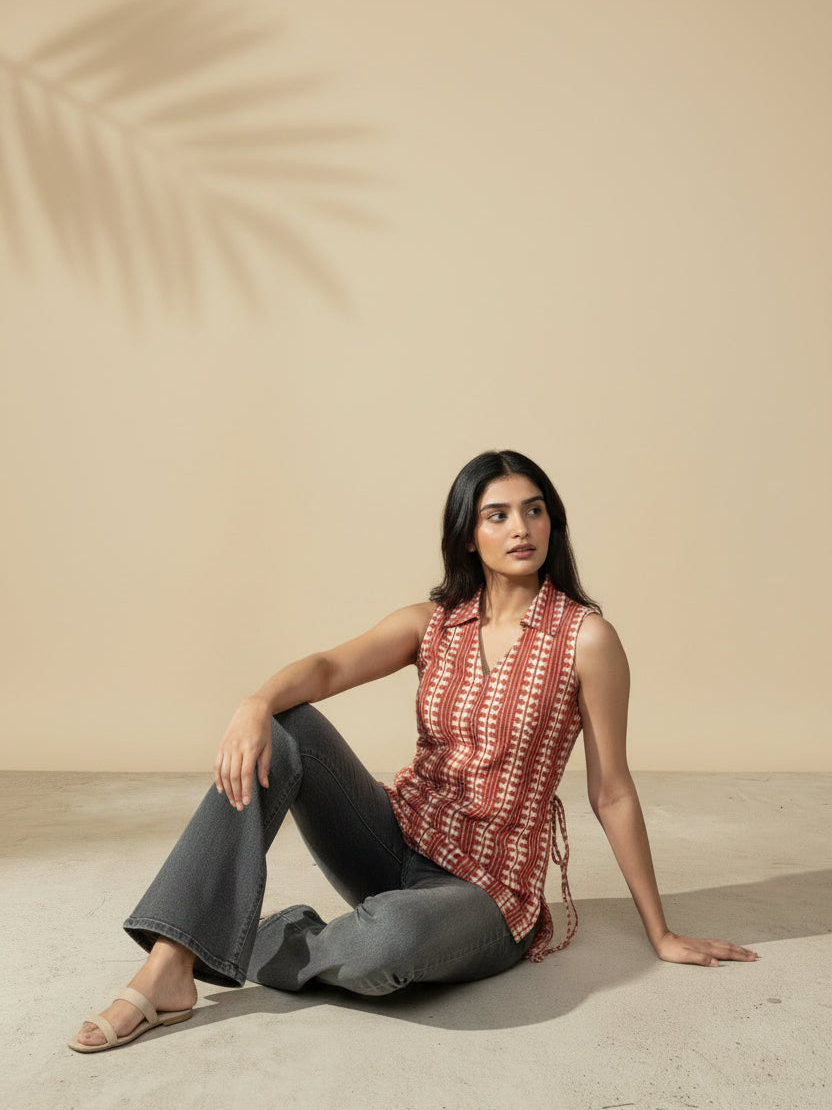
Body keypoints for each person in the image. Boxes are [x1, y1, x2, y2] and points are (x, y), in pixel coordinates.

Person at [70, 450, 756, 1051]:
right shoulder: (433, 624)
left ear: (554, 523)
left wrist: (661, 933)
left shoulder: (587, 640)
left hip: (487, 893)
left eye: (534, 510)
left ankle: (234, 934)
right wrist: (253, 704)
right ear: (468, 536)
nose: (521, 528)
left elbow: (612, 790)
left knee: (385, 945)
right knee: (284, 728)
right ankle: (169, 964)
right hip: (393, 840)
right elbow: (327, 669)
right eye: (497, 515)